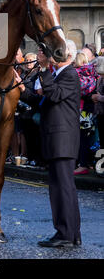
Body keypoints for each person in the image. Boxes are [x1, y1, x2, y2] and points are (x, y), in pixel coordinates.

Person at [35, 39, 82, 248]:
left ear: (69, 55)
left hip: (62, 140)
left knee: (63, 189)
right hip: (56, 140)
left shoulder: (69, 74)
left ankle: (66, 234)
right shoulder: (57, 76)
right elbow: (42, 102)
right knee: (61, 188)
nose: (53, 55)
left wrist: (44, 69)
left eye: (57, 52)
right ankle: (71, 234)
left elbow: (54, 95)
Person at [74, 51, 99, 174]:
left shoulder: (77, 74)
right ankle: (87, 163)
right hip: (90, 111)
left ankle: (82, 165)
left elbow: (78, 92)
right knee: (88, 137)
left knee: (81, 138)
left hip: (80, 110)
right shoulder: (93, 73)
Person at [92, 56, 104, 150]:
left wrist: (99, 97)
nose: (95, 65)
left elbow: (99, 96)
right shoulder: (100, 79)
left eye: (97, 64)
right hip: (100, 114)